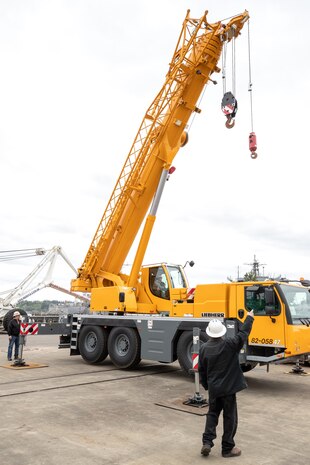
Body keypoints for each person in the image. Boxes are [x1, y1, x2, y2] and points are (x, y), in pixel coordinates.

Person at [198, 310, 254, 458]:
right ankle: (227, 448)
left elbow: (201, 371)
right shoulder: (230, 344)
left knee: (212, 414)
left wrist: (207, 386)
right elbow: (243, 333)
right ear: (222, 333)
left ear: (209, 333)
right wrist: (250, 317)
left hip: (214, 390)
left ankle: (207, 442)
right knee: (230, 417)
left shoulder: (203, 349)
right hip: (229, 390)